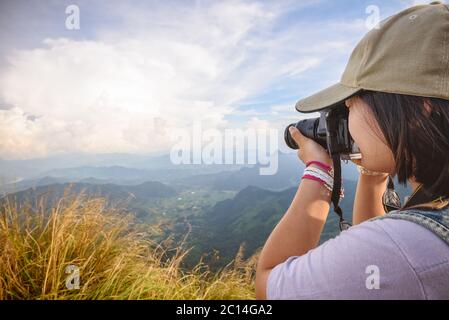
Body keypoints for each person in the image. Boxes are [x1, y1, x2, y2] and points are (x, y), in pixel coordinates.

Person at [256, 2, 449, 299]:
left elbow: (269, 285)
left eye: (353, 99)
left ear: (419, 110)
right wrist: (373, 177)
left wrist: (319, 173)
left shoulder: (406, 249)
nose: (346, 110)